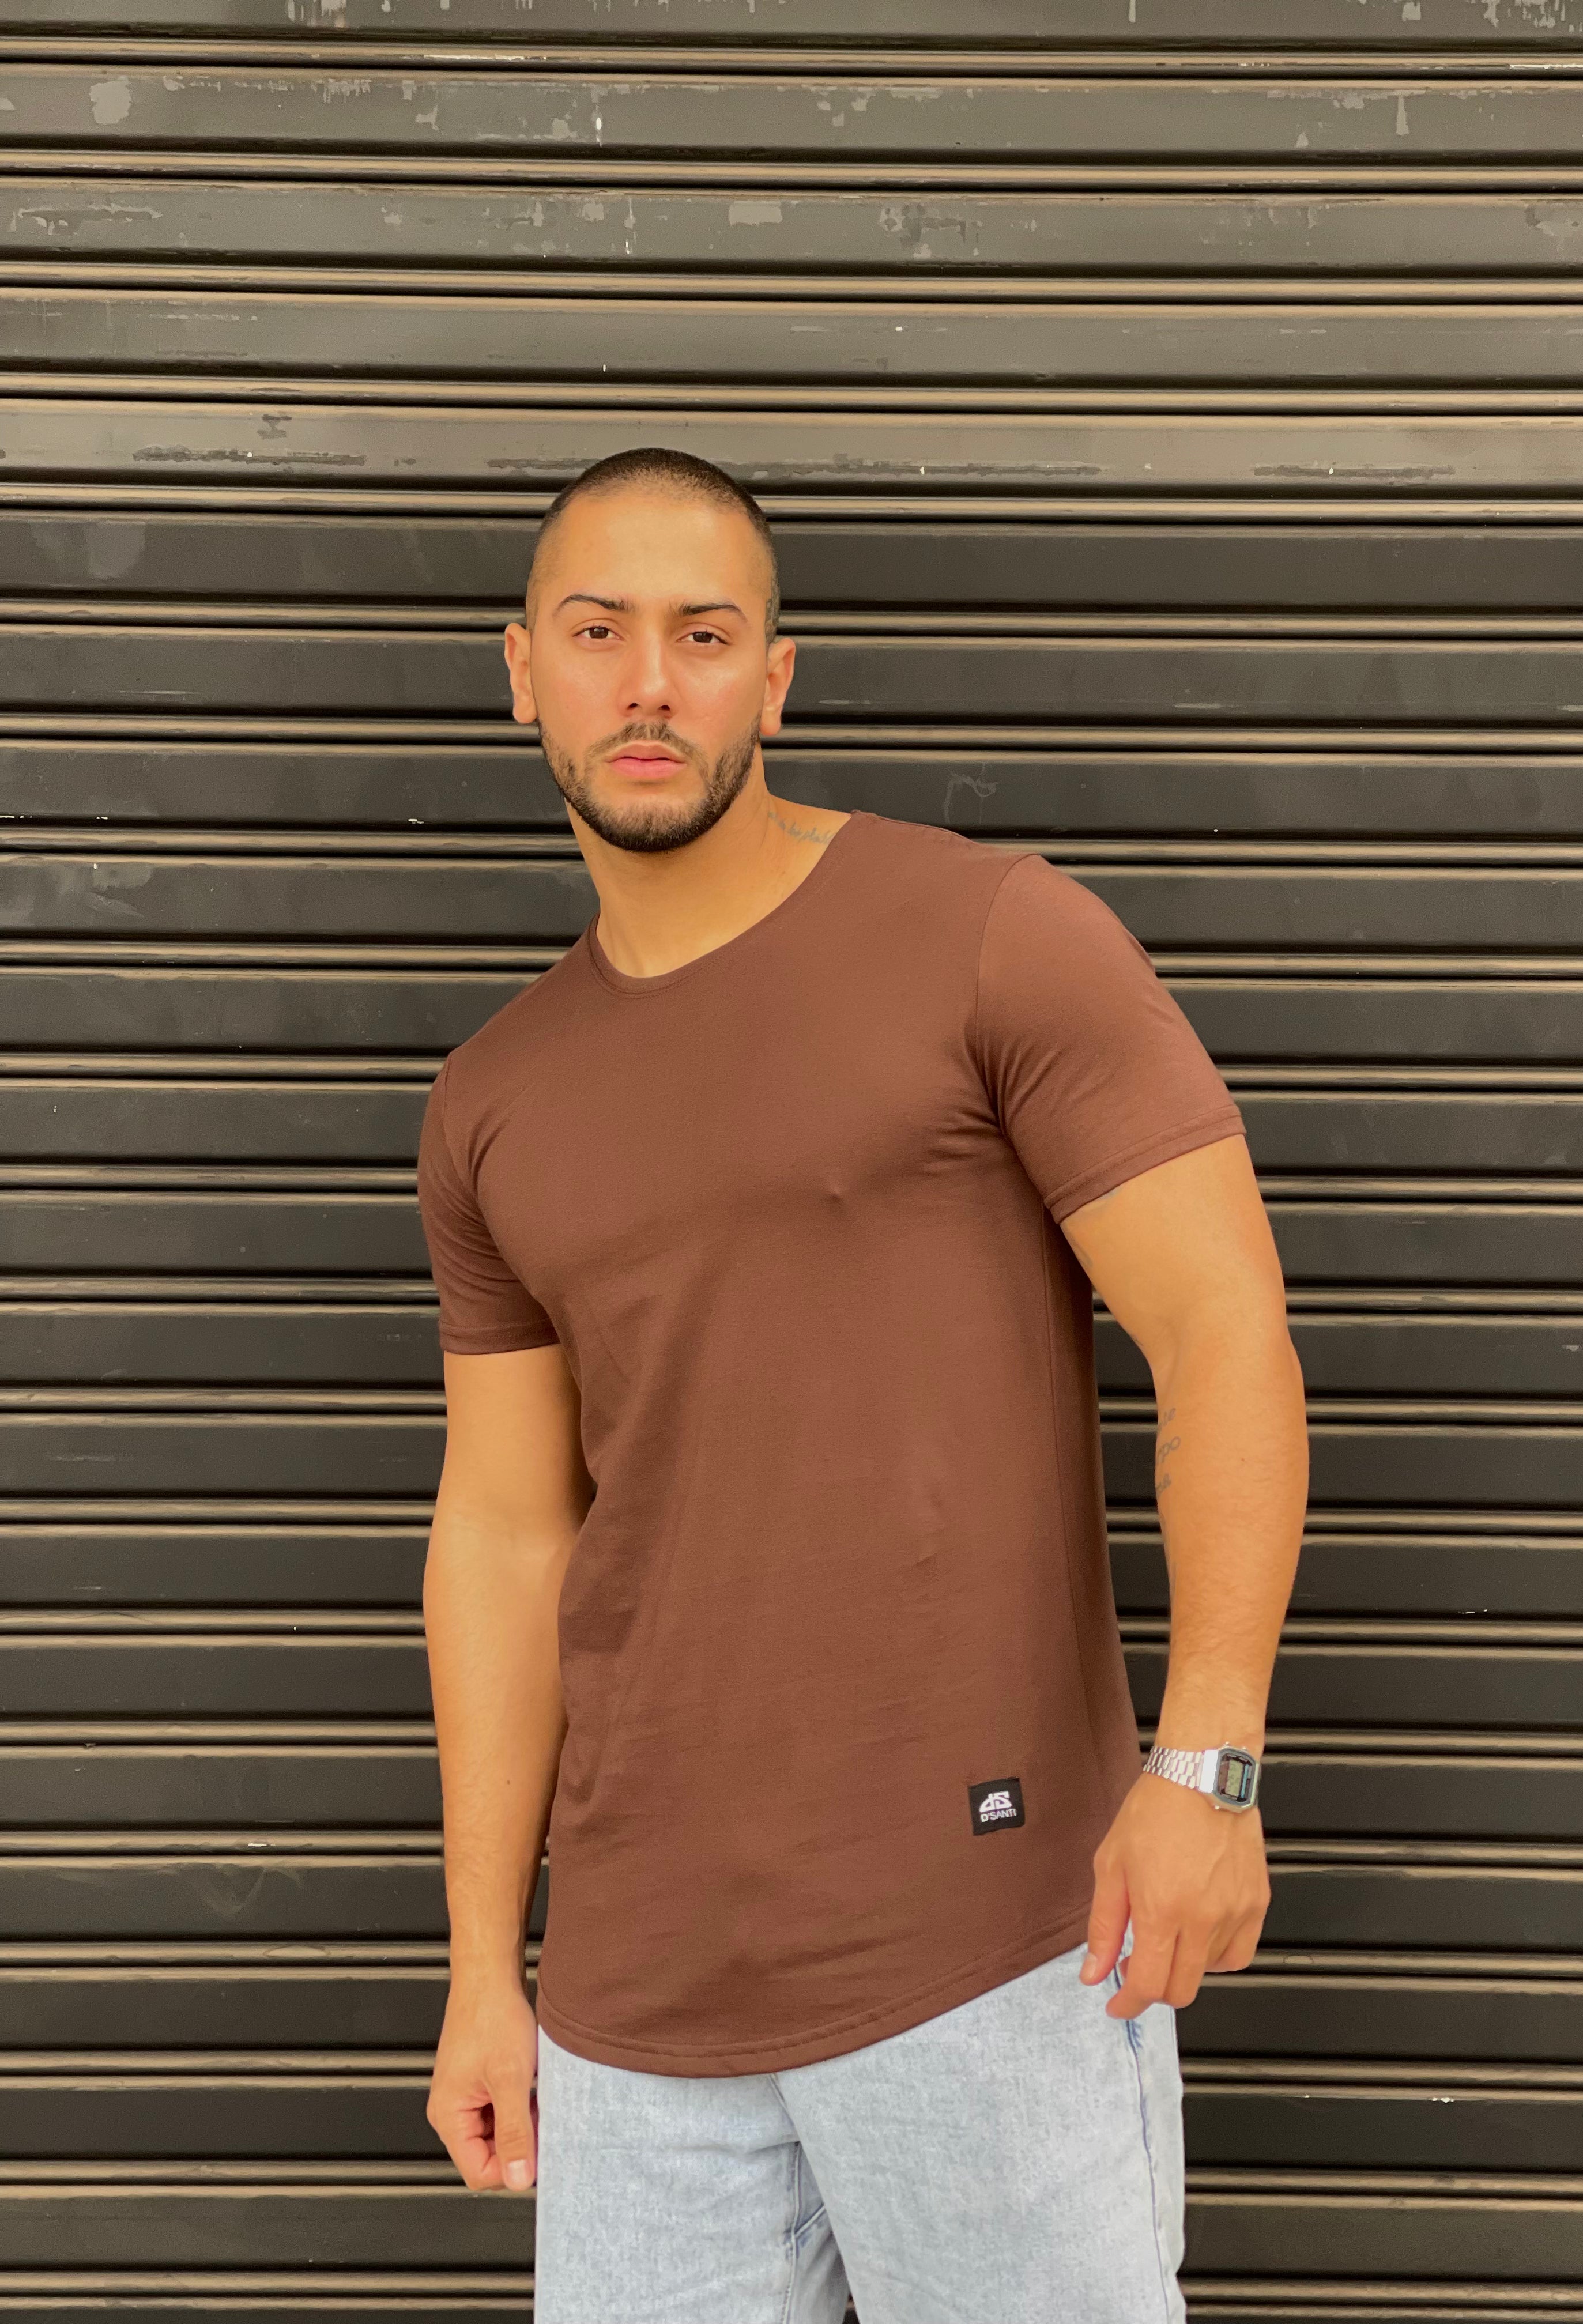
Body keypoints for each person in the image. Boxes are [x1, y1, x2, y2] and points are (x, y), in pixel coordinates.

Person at [415, 447, 1309, 2324]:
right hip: (639, 2003)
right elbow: (504, 1532)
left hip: (989, 1949)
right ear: (520, 671)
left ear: (775, 679)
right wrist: (487, 1965)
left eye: (701, 636)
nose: (647, 684)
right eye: (598, 633)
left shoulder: (990, 936)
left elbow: (1221, 1327)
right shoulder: (496, 1098)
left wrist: (1208, 1765)